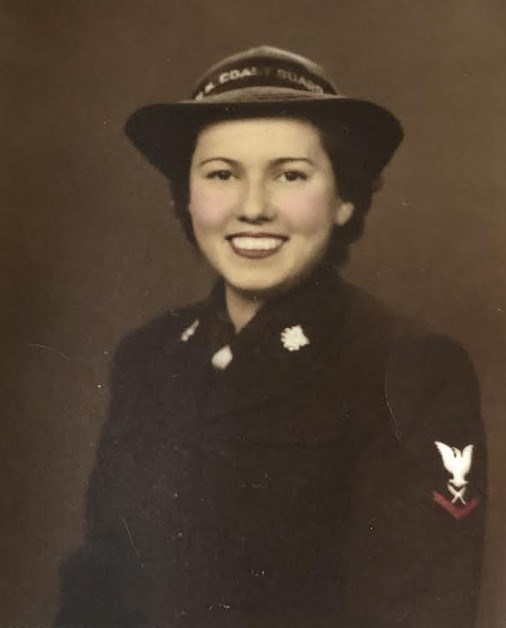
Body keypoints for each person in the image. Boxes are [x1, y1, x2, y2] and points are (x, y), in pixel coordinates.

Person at [55, 46, 487, 628]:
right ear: (187, 197)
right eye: (221, 174)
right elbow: (99, 589)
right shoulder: (148, 356)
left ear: (343, 199)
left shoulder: (407, 366)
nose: (253, 208)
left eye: (290, 175)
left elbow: (419, 608)